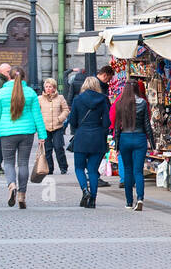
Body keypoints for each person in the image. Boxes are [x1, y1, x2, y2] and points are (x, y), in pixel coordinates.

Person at [0, 67, 47, 210]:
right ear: (23, 77)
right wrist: (42, 135)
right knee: (23, 163)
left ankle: (11, 185)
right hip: (27, 132)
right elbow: (37, 115)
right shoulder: (31, 93)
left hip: (7, 132)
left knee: (8, 162)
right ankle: (21, 195)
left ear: (9, 77)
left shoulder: (1, 93)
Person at [66, 76, 110, 208]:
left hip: (81, 138)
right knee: (92, 169)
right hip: (97, 138)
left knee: (79, 168)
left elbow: (72, 121)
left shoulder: (78, 99)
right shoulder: (103, 100)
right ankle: (93, 199)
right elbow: (107, 122)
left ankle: (85, 190)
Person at [111, 80, 155, 211]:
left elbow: (117, 128)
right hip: (140, 138)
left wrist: (117, 146)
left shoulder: (120, 104)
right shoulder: (142, 103)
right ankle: (140, 198)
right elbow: (147, 125)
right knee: (138, 171)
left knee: (128, 170)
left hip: (125, 138)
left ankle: (129, 202)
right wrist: (152, 144)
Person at [39, 78, 70, 175]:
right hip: (45, 127)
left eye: (50, 87)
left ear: (54, 88)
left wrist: (60, 118)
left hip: (57, 127)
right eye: (46, 87)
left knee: (58, 147)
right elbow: (36, 112)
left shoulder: (60, 98)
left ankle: (63, 167)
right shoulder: (39, 99)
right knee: (47, 149)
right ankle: (49, 168)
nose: (48, 89)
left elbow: (66, 110)